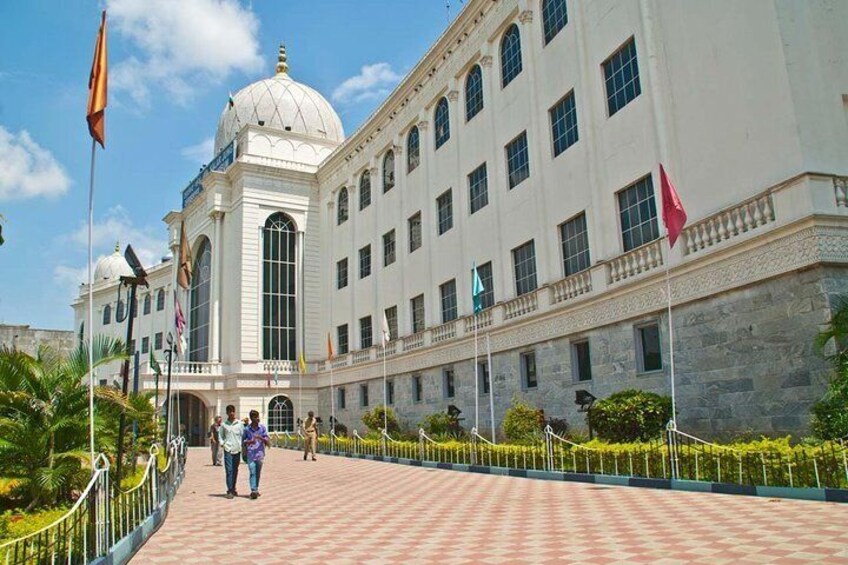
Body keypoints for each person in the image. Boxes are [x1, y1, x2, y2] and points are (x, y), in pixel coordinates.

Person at [242, 409, 270, 499]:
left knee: (258, 472)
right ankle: (253, 490)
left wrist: (261, 438)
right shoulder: (247, 429)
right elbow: (243, 441)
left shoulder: (262, 428)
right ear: (252, 418)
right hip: (250, 453)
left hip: (259, 453)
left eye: (258, 417)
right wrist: (250, 441)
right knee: (252, 472)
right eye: (255, 417)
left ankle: (256, 488)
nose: (258, 419)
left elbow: (267, 439)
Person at [218, 405, 245, 499]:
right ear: (227, 413)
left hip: (237, 449)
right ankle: (229, 490)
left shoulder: (239, 424)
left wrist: (244, 446)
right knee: (229, 470)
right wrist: (222, 443)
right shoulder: (223, 425)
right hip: (228, 449)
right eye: (229, 411)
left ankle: (233, 488)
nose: (231, 413)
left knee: (235, 470)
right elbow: (220, 435)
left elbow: (243, 435)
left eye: (233, 411)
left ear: (235, 412)